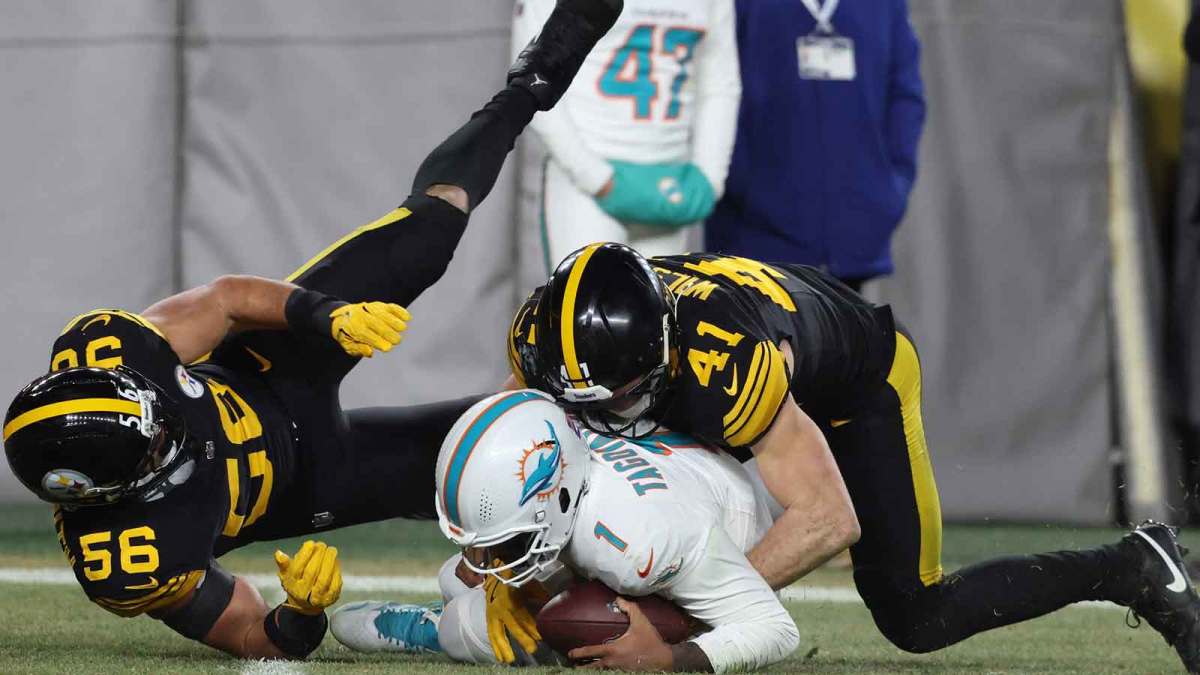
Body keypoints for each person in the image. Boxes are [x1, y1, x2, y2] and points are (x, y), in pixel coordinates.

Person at [0, 0, 623, 660]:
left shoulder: (106, 347)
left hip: (270, 367)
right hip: (313, 480)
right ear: (114, 491)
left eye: (147, 406)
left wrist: (326, 315)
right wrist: (300, 613)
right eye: (152, 443)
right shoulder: (124, 555)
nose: (166, 422)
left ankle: (533, 80)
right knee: (500, 458)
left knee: (427, 236)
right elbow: (246, 630)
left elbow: (229, 300)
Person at [505, 243, 1200, 670]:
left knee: (915, 615)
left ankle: (1136, 566)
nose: (599, 415)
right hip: (767, 334)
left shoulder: (729, 367)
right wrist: (498, 571)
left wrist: (684, 626)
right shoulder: (549, 333)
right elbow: (516, 441)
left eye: (618, 399)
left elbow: (827, 517)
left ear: (659, 360)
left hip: (860, 380)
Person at [328, 390, 799, 672]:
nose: (488, 557)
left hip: (707, 541)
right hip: (662, 495)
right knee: (460, 576)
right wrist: (496, 569)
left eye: (500, 542)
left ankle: (437, 629)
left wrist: (671, 660)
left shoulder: (642, 544)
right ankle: (460, 604)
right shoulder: (557, 443)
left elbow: (775, 627)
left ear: (558, 495)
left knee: (468, 626)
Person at [705, 0, 925, 292]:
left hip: (854, 231)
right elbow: (712, 89)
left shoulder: (885, 5)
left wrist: (890, 189)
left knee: (845, 335)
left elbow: (905, 98)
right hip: (752, 239)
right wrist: (739, 185)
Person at [513, 0, 741, 272]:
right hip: (588, 183)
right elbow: (532, 79)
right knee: (585, 309)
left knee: (663, 312)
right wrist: (596, 177)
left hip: (669, 178)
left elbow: (719, 83)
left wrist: (709, 179)